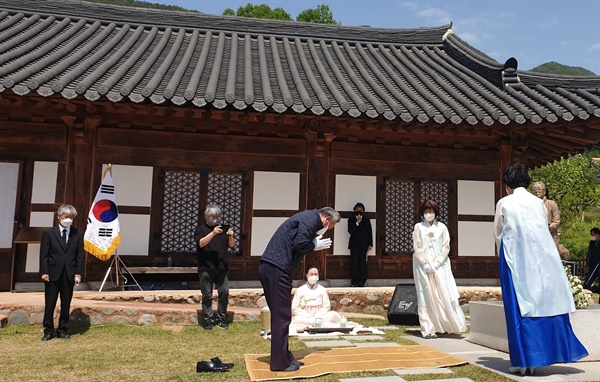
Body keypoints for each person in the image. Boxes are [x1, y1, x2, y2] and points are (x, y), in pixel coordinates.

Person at [494, 164, 588, 375]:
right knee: (542, 303)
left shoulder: (504, 202)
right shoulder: (538, 203)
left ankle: (522, 360)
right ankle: (540, 356)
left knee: (518, 307)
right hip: (541, 259)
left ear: (507, 184)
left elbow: (498, 233)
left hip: (514, 258)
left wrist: (504, 254)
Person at [258, 207, 340, 371]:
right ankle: (279, 363)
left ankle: (284, 355)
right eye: (331, 227)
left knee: (282, 315)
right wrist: (313, 244)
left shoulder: (308, 218)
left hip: (274, 268)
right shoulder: (310, 220)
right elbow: (300, 243)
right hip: (276, 269)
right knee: (282, 317)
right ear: (327, 220)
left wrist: (312, 243)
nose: (327, 230)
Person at [412, 200, 466, 339]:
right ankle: (427, 329)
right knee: (426, 294)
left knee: (443, 291)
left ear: (436, 213)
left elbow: (446, 246)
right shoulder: (418, 227)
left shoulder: (442, 227)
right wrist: (424, 262)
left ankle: (444, 325)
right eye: (426, 211)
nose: (428, 214)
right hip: (422, 264)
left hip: (439, 263)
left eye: (431, 211)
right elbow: (417, 246)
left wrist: (438, 262)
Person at [39, 204, 84, 341]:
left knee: (66, 303)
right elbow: (44, 255)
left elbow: (80, 255)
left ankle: (63, 329)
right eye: (66, 217)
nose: (68, 220)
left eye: (71, 217)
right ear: (59, 217)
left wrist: (78, 273)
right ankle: (48, 330)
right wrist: (44, 271)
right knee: (50, 303)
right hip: (52, 273)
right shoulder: (49, 233)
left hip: (69, 273)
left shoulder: (78, 234)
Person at [194, 204, 236, 330]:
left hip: (222, 267)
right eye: (212, 216)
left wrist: (231, 236)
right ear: (206, 217)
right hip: (206, 268)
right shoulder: (200, 230)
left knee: (224, 292)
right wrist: (213, 233)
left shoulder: (223, 229)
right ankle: (208, 320)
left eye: (217, 216)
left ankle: (221, 319)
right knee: (207, 294)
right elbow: (201, 243)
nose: (215, 218)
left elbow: (232, 245)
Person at [347, 202, 373, 287]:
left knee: (363, 263)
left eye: (361, 209)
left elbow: (369, 232)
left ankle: (362, 281)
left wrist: (370, 244)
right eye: (357, 209)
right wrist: (357, 223)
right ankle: (354, 281)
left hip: (364, 245)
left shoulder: (367, 220)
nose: (359, 211)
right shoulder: (351, 220)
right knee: (354, 263)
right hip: (354, 245)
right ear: (354, 210)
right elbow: (350, 231)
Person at [531, 181, 561, 247]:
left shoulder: (552, 204)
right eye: (534, 190)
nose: (536, 191)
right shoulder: (529, 205)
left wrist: (544, 229)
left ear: (544, 192)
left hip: (550, 236)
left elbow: (557, 222)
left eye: (539, 189)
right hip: (533, 238)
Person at [584, 227, 600, 292]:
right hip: (592, 265)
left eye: (592, 235)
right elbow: (589, 254)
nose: (591, 237)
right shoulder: (591, 243)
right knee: (586, 283)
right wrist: (587, 265)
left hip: (599, 266)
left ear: (598, 235)